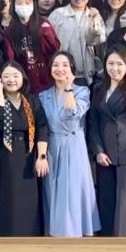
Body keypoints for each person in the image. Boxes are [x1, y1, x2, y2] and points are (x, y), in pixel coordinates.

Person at [0, 62, 48, 236]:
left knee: (26, 199)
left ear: (23, 78)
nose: (11, 80)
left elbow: (42, 127)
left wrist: (42, 156)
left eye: (15, 76)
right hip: (2, 156)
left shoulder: (31, 100)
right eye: (6, 76)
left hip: (27, 154)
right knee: (5, 197)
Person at [88, 46, 126, 236]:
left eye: (119, 64)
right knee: (106, 200)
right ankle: (105, 243)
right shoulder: (98, 88)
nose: (115, 68)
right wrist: (98, 150)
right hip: (105, 151)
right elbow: (93, 121)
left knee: (124, 202)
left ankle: (124, 246)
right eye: (111, 63)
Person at [40, 51, 99, 237]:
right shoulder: (43, 95)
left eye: (65, 65)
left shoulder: (82, 91)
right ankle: (53, 232)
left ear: (72, 69)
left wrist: (68, 89)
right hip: (51, 145)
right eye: (56, 65)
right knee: (52, 191)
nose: (60, 69)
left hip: (73, 145)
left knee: (72, 191)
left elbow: (72, 115)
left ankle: (74, 232)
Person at [48, 0, 106, 85]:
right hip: (60, 72)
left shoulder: (93, 14)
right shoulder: (58, 14)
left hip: (84, 75)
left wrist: (94, 20)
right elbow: (48, 41)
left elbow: (99, 39)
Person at [3, 0, 61, 94]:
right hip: (25, 85)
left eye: (27, 3)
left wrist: (47, 33)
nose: (23, 6)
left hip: (47, 82)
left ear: (33, 5)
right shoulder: (9, 31)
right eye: (19, 3)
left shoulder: (44, 25)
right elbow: (10, 59)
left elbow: (55, 50)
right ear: (14, 6)